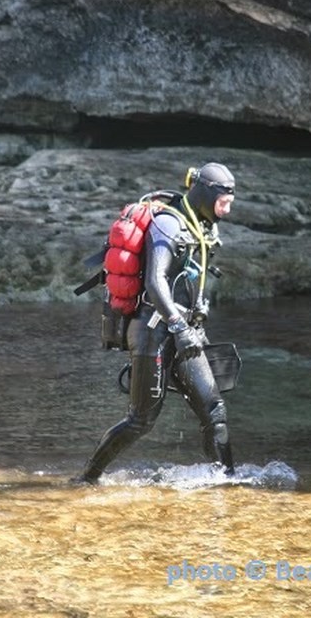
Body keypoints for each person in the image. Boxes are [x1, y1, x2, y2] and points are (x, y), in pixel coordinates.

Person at [74, 162, 236, 484]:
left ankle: (231, 483)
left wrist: (192, 322)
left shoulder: (198, 226)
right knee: (141, 420)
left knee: (214, 412)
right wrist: (178, 326)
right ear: (206, 194)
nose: (227, 210)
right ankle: (87, 479)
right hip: (154, 332)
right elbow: (154, 281)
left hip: (185, 332)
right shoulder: (168, 223)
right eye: (223, 202)